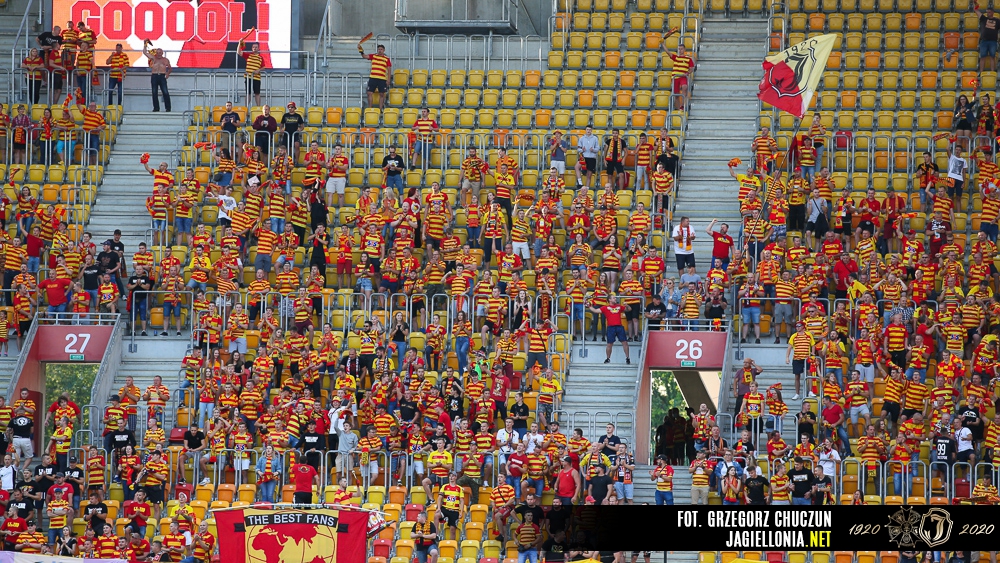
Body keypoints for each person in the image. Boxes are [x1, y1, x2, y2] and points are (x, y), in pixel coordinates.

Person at [588, 295, 631, 364]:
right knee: (609, 344)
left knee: (625, 342)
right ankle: (608, 358)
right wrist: (589, 306)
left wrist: (627, 305)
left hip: (619, 326)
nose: (615, 298)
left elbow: (629, 309)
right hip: (611, 327)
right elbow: (595, 311)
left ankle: (627, 358)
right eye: (614, 298)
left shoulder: (619, 306)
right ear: (609, 300)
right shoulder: (605, 308)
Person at [361, 43, 392, 110]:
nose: (380, 50)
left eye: (381, 49)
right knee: (369, 93)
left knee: (382, 94)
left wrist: (388, 79)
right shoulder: (373, 56)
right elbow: (364, 56)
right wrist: (361, 51)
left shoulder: (387, 59)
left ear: (384, 50)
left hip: (382, 78)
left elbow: (389, 69)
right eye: (379, 49)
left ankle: (380, 109)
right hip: (373, 77)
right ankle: (370, 108)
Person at [142, 42, 171, 112]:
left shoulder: (165, 60)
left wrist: (167, 74)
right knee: (154, 92)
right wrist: (145, 44)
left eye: (160, 53)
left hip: (162, 76)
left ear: (162, 53)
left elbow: (170, 68)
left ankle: (168, 108)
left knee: (165, 92)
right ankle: (156, 108)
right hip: (154, 75)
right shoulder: (153, 58)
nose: (158, 54)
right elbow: (145, 52)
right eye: (157, 53)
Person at [237, 41, 264, 107]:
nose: (255, 48)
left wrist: (259, 70)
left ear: (258, 48)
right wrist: (239, 43)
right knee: (248, 93)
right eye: (253, 47)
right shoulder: (248, 55)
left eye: (256, 47)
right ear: (252, 48)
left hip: (257, 78)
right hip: (248, 77)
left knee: (257, 93)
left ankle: (258, 107)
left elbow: (263, 67)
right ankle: (246, 107)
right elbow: (238, 52)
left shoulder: (260, 58)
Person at [977, 5, 1000, 73]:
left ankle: (992, 72)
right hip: (984, 41)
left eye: (989, 12)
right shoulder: (984, 19)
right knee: (982, 57)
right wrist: (975, 4)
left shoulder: (997, 21)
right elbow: (977, 11)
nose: (988, 13)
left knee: (992, 57)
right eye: (987, 12)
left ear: (993, 12)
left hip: (993, 41)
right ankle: (981, 72)